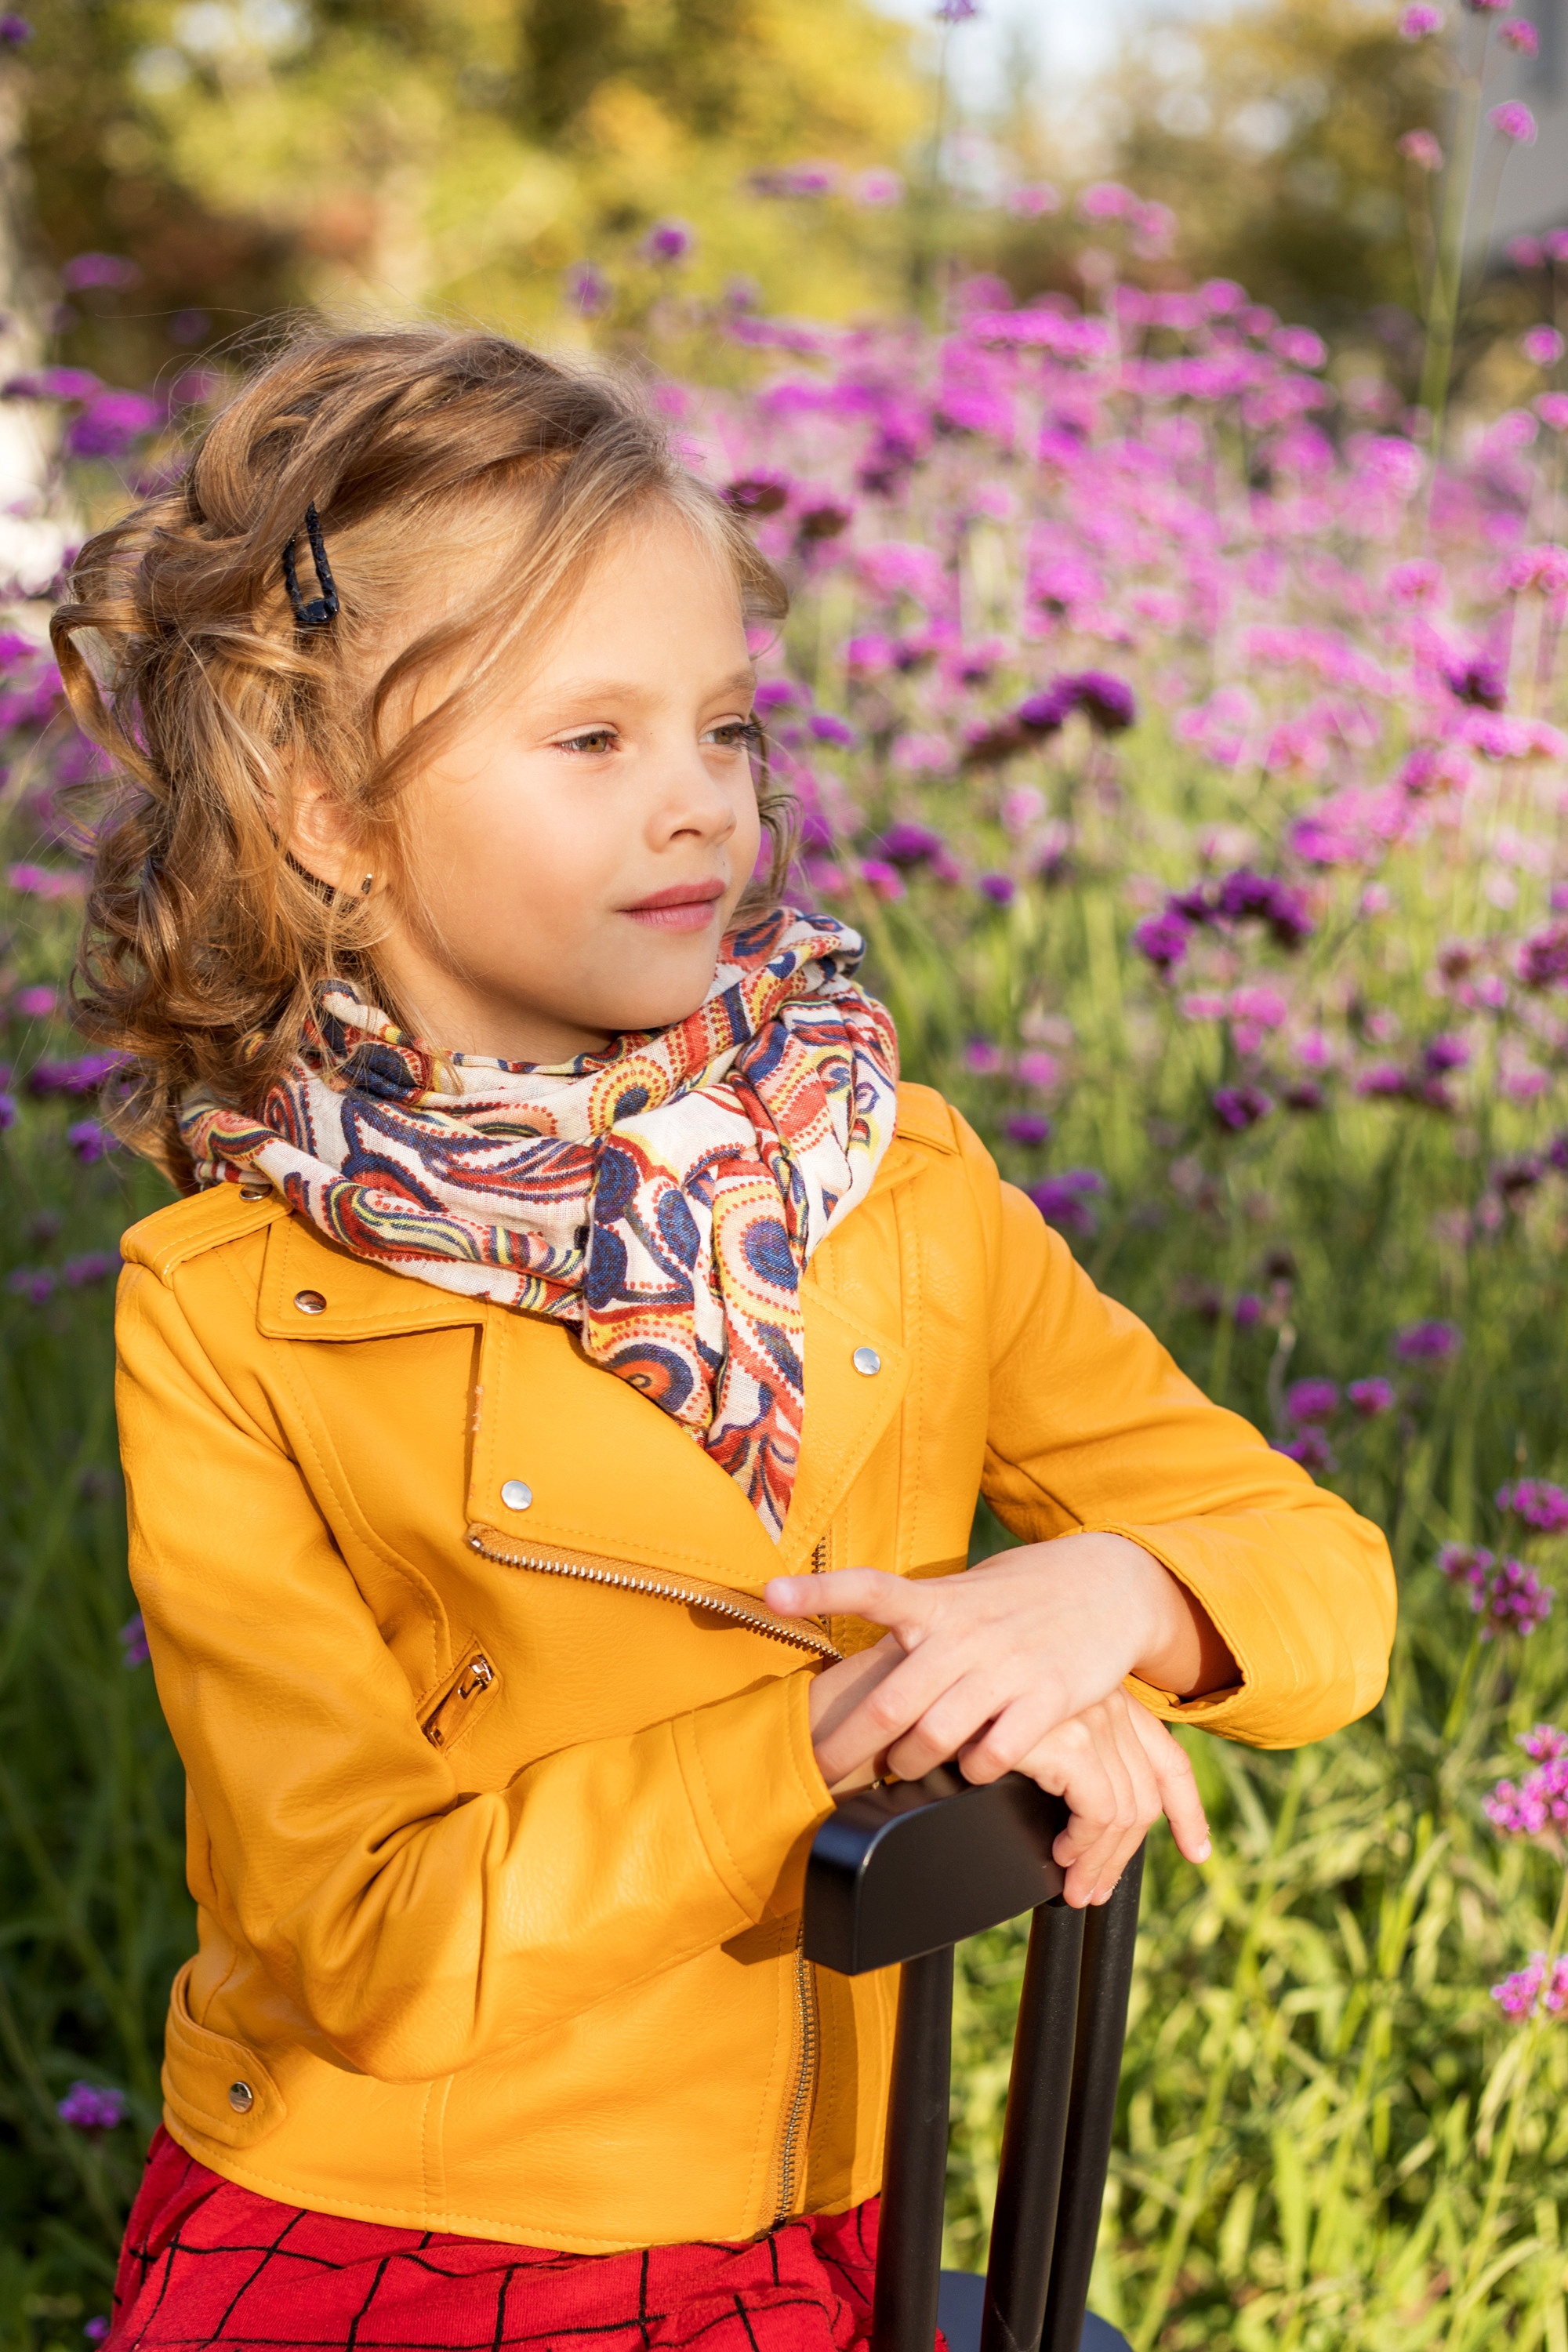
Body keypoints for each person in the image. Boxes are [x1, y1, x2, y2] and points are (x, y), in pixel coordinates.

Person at [55, 326, 1395, 2352]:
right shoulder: (233, 1311)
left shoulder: (896, 1186)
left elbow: (1322, 1583)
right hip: (403, 2243)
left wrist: (1100, 1601)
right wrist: (845, 1723)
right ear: (334, 817)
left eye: (727, 731)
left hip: (828, 2213)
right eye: (592, 744)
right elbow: (368, 1942)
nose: (695, 804)